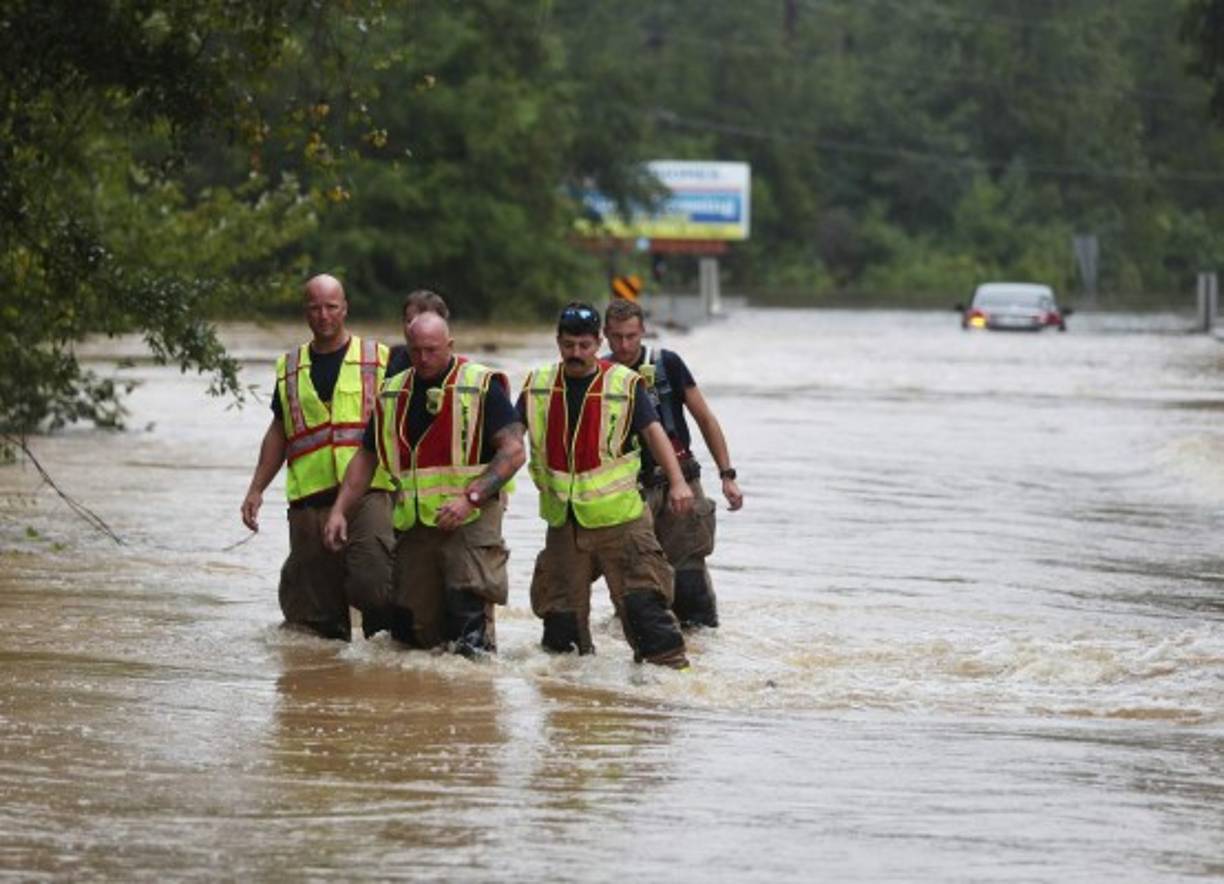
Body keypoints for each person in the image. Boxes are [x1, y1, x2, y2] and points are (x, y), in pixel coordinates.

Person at [323, 312, 524, 655]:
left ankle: (474, 702)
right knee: (412, 635)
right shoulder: (392, 392)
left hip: (469, 522)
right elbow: (366, 457)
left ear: (450, 346)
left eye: (432, 350)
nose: (423, 359)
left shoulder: (480, 385)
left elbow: (514, 452)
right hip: (416, 527)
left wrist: (470, 498)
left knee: (467, 633)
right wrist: (339, 510)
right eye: (415, 350)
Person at [518, 302, 694, 669]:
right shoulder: (537, 386)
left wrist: (678, 482)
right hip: (564, 524)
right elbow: (508, 442)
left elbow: (654, 433)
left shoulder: (624, 383)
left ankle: (666, 698)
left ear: (598, 342)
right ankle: (572, 703)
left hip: (622, 522)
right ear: (558, 342)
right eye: (568, 345)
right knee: (560, 635)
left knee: (646, 612)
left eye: (584, 345)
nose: (576, 354)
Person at [240, 274, 396, 641]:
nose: (323, 315)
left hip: (369, 494)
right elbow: (279, 431)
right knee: (316, 624)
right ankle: (327, 689)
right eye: (314, 308)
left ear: (345, 309)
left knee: (374, 584)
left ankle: (384, 667)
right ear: (305, 313)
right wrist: (256, 489)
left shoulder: (381, 359)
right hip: (309, 501)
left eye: (331, 307)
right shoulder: (290, 367)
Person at [603, 297, 743, 629]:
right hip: (629, 490)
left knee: (690, 586)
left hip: (680, 482)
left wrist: (727, 475)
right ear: (605, 335)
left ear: (643, 332)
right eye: (617, 337)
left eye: (631, 336)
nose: (624, 345)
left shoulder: (668, 364)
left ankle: (703, 659)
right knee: (637, 583)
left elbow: (705, 419)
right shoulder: (600, 374)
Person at [387, 289, 450, 375]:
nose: (416, 326)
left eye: (426, 321)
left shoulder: (463, 372)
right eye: (410, 321)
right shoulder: (387, 359)